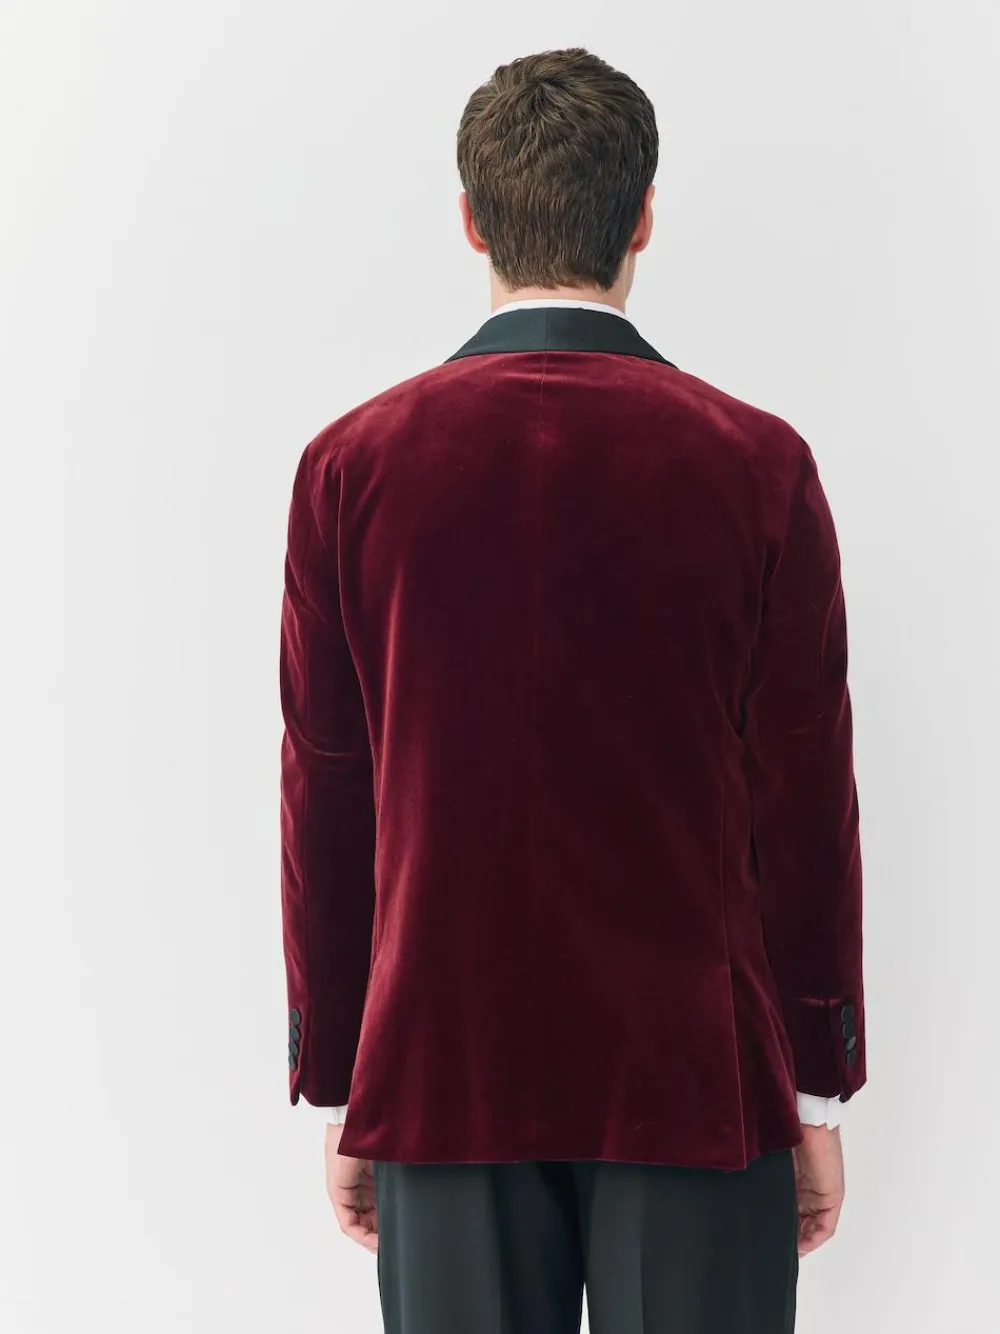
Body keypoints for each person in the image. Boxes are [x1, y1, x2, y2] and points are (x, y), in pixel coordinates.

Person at [277, 46, 865, 1334]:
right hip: (694, 1080)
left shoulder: (349, 470)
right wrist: (817, 1088)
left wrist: (342, 1084)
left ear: (471, 220)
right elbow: (806, 801)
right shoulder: (759, 467)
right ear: (643, 215)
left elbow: (329, 795)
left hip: (444, 1070)